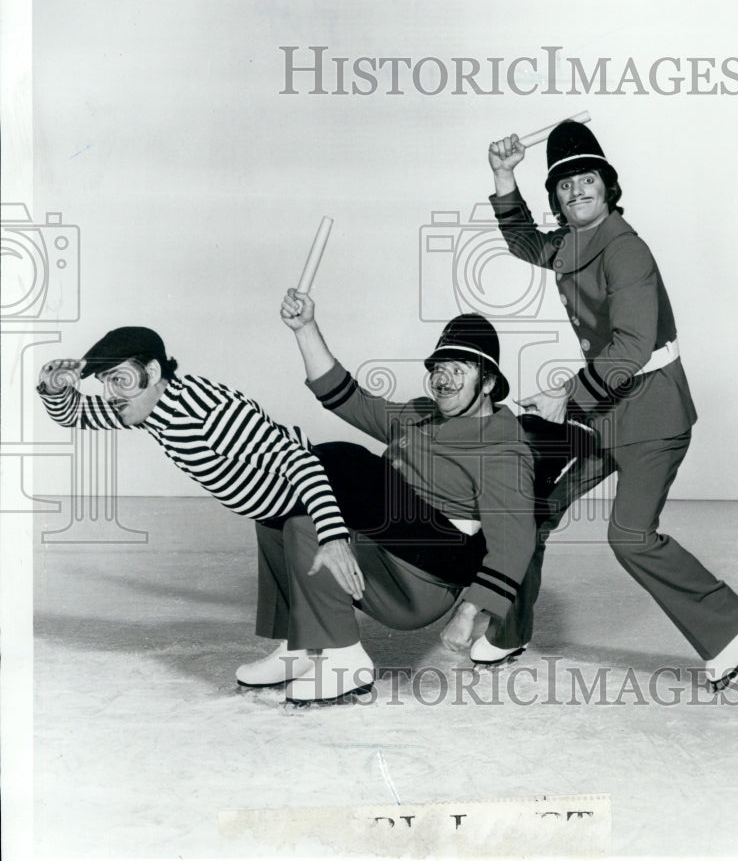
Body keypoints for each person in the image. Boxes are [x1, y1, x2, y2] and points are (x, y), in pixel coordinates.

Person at [481, 119, 738, 692]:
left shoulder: (626, 249)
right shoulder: (571, 241)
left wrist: (568, 394)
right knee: (535, 508)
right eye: (564, 185)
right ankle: (511, 630)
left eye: (587, 180)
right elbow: (524, 243)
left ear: (608, 187)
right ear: (557, 199)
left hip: (654, 417)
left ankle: (735, 628)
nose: (576, 192)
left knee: (630, 535)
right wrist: (503, 175)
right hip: (607, 415)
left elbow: (633, 347)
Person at [235, 298, 541, 703]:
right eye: (438, 369)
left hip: (426, 578)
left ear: (487, 382)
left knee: (339, 459)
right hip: (385, 550)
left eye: (458, 371)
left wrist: (468, 613)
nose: (443, 380)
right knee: (283, 508)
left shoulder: (503, 450)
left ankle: (339, 656)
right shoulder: (420, 415)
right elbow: (346, 397)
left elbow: (516, 543)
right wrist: (304, 328)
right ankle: (308, 646)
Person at [36, 325, 361, 602]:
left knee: (329, 574)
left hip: (330, 489)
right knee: (286, 585)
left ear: (151, 372)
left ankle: (336, 654)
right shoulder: (149, 408)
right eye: (103, 382)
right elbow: (75, 414)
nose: (108, 395)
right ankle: (298, 650)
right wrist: (52, 386)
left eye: (118, 379)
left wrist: (333, 537)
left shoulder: (207, 413)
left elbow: (300, 463)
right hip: (276, 511)